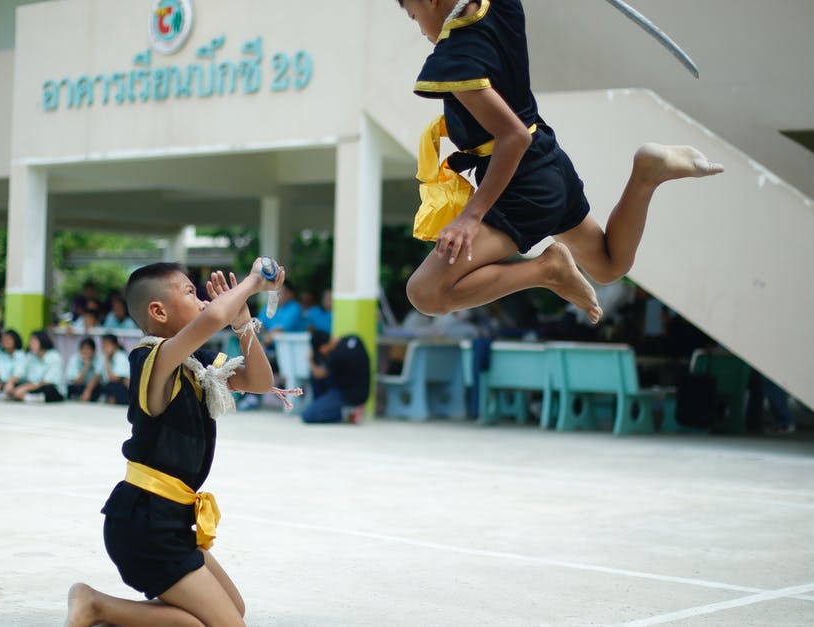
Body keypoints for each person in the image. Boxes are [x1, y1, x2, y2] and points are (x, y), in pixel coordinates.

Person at [397, 0, 723, 326]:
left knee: (426, 293)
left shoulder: (455, 58)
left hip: (523, 182)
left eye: (413, 16)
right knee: (608, 265)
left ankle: (547, 270)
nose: (420, 28)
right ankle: (646, 174)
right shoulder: (499, 6)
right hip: (546, 157)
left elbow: (513, 137)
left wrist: (470, 217)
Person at [65, 259, 282, 627]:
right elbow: (213, 317)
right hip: (144, 525)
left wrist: (243, 321)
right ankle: (95, 604)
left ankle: (99, 604)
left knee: (233, 611)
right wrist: (251, 283)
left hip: (171, 522)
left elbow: (261, 382)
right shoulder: (152, 358)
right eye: (190, 292)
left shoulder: (200, 364)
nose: (201, 300)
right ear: (158, 311)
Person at [303, 330, 371, 424]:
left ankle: (348, 412)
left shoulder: (336, 355)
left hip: (347, 395)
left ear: (323, 348)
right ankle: (328, 406)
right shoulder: (354, 339)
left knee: (307, 415)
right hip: (362, 391)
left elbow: (318, 374)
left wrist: (310, 360)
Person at [6, 330, 66, 403]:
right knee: (14, 384)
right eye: (30, 341)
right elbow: (20, 371)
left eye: (34, 342)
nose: (30, 344)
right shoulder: (30, 356)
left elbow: (47, 381)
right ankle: (24, 396)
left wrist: (25, 388)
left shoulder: (54, 357)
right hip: (33, 386)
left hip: (49, 387)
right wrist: (11, 382)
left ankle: (28, 397)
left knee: (49, 389)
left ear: (42, 341)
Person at [84, 333, 131, 405]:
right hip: (109, 386)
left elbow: (114, 379)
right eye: (103, 345)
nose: (104, 347)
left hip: (124, 388)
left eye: (107, 345)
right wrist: (87, 391)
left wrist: (106, 359)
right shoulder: (102, 357)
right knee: (98, 386)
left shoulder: (120, 357)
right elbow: (96, 376)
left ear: (115, 346)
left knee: (112, 385)